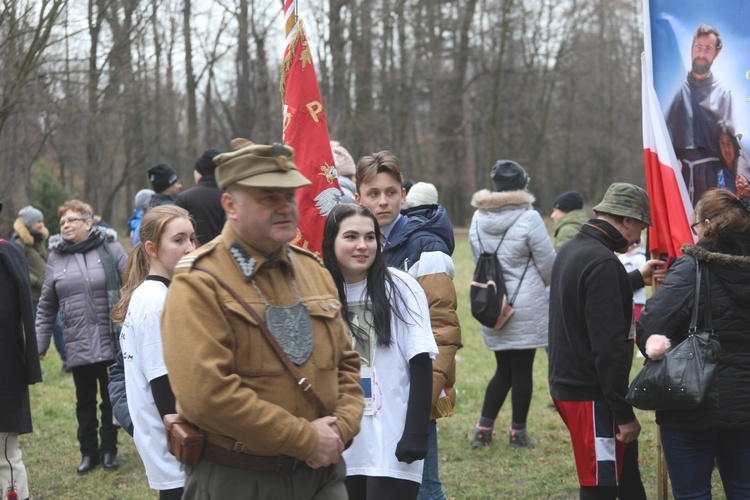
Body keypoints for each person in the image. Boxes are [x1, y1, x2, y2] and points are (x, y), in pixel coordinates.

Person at [160, 143, 364, 499]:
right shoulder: (199, 281)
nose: (285, 207)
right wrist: (305, 439)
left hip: (322, 477)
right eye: (268, 197)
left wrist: (339, 431)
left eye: (288, 195)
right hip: (241, 480)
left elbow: (346, 365)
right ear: (230, 206)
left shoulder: (314, 270)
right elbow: (206, 396)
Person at [355, 150, 460, 500]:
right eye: (373, 194)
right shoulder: (357, 245)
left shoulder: (423, 246)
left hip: (413, 392)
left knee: (424, 488)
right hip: (371, 395)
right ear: (359, 198)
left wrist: (418, 406)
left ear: (403, 193)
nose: (383, 202)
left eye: (390, 192)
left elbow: (443, 331)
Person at [548, 183, 663, 499]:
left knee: (626, 479)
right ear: (625, 220)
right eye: (639, 227)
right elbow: (608, 348)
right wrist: (623, 414)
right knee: (599, 488)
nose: (639, 238)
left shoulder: (574, 250)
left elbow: (592, 298)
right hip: (593, 395)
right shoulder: (602, 263)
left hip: (575, 387)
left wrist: (637, 277)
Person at [636, 188, 750, 499]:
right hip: (745, 403)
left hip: (691, 401)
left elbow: (651, 326)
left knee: (692, 494)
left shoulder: (692, 267)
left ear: (707, 224)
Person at [322, 203, 437, 499]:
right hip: (337, 441)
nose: (362, 246)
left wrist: (416, 431)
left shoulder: (401, 287)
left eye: (370, 237)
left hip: (390, 439)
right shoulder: (317, 292)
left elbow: (421, 362)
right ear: (331, 241)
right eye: (350, 237)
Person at [35, 199, 127, 475]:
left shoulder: (111, 249)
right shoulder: (56, 257)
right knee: (84, 402)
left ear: (88, 223)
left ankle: (109, 450)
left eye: (71, 220)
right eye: (61, 221)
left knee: (111, 399)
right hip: (78, 343)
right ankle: (88, 453)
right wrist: (40, 344)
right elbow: (46, 305)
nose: (64, 225)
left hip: (110, 339)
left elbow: (134, 284)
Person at [468, 160, 555, 450]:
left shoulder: (478, 217)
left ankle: (483, 430)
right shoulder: (529, 218)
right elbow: (548, 265)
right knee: (522, 370)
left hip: (492, 302)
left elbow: (477, 257)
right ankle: (517, 434)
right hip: (524, 304)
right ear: (522, 185)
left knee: (502, 369)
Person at [110, 205, 196, 499]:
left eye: (192, 239)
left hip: (176, 458)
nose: (190, 248)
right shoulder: (155, 303)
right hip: (179, 458)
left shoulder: (158, 294)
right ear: (152, 248)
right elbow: (166, 391)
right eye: (179, 240)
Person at [0, 203, 43, 500]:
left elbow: (20, 315)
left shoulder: (7, 255)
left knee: (5, 455)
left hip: (4, 369)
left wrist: (30, 366)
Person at [666, 24, 733, 207]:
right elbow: (667, 143)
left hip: (715, 178)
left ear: (716, 54)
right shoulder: (677, 92)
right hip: (684, 175)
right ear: (691, 49)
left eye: (708, 49)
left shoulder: (723, 94)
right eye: (698, 47)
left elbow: (732, 148)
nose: (702, 54)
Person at [12, 205, 68, 371]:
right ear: (29, 224)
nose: (42, 224)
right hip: (33, 296)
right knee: (35, 332)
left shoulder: (39, 241)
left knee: (58, 328)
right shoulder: (19, 244)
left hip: (48, 293)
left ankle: (67, 361)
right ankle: (34, 365)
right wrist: (36, 282)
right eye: (38, 221)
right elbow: (18, 269)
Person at [176, 148, 225, 245]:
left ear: (200, 172)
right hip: (226, 255)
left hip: (193, 255)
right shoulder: (230, 197)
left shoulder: (185, 198)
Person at [715, 120, 750, 199]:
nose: (726, 149)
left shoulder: (746, 164)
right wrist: (738, 193)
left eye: (729, 143)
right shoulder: (721, 176)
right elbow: (723, 206)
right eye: (722, 144)